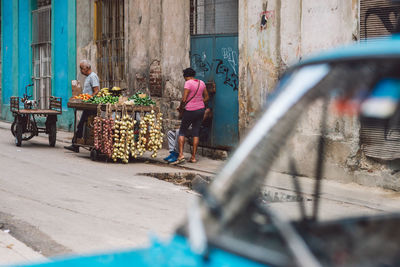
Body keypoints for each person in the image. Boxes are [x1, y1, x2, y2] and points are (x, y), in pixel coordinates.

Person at [174, 68, 209, 164]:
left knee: (182, 131)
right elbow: (207, 97)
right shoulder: (201, 83)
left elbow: (184, 99)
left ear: (185, 76)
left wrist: (181, 108)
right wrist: (199, 103)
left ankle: (181, 155)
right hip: (200, 110)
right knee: (195, 132)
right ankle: (193, 157)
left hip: (190, 110)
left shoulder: (188, 83)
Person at [64, 60, 100, 152]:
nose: (80, 70)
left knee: (82, 125)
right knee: (82, 124)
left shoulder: (93, 76)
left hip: (91, 106)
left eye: (81, 68)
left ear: (87, 68)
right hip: (87, 105)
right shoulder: (88, 77)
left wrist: (89, 99)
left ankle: (75, 144)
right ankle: (76, 143)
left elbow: (96, 91)